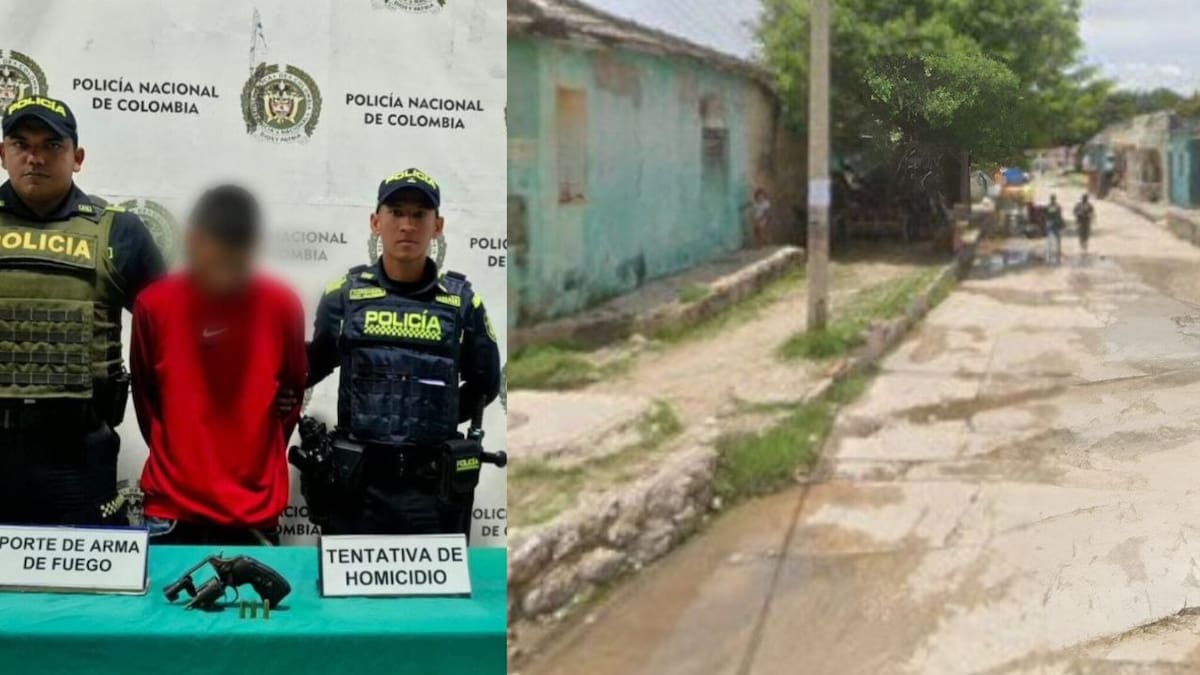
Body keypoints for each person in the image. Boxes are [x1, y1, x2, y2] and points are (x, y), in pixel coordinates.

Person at [301, 167, 501, 535]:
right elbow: (312, 365)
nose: (407, 225)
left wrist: (435, 416)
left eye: (419, 214)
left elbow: (485, 383)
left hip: (432, 490)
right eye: (396, 213)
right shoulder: (343, 295)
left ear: (437, 226)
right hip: (355, 487)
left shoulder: (463, 302)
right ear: (376, 222)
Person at [0, 96, 164, 525]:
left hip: (78, 455)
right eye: (21, 144)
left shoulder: (119, 231)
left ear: (78, 158)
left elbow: (171, 334)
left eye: (52, 145)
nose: (35, 157)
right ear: (2, 154)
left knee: (90, 567)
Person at [130, 185, 307, 545]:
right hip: (171, 510)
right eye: (217, 247)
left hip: (253, 513)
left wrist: (256, 457)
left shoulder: (282, 305)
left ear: (254, 246)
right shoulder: (154, 305)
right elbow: (146, 398)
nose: (225, 261)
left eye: (236, 248)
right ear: (193, 241)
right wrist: (178, 453)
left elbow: (291, 393)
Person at [1045, 194, 1064, 265]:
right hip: (1053, 224)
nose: (1052, 200)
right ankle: (1055, 253)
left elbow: (1047, 216)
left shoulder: (1053, 206)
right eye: (1052, 199)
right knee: (1053, 239)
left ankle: (1055, 253)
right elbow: (1047, 216)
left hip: (1053, 224)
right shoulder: (1055, 206)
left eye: (1053, 199)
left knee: (1055, 239)